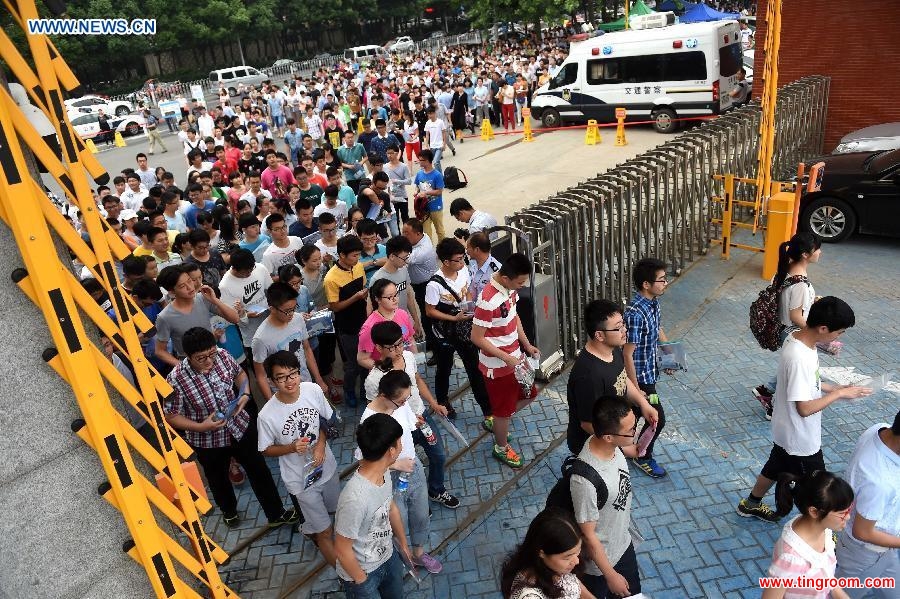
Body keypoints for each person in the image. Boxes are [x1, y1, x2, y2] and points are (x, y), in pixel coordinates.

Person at [736, 297, 871, 522]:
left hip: (785, 429)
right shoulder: (800, 358)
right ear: (823, 328)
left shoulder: (798, 338)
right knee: (821, 489)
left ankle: (750, 504)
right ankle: (819, 528)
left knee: (775, 465)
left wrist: (833, 388)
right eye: (839, 333)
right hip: (800, 438)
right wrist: (838, 395)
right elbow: (805, 409)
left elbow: (805, 382)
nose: (838, 337)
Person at [164, 327, 296, 528]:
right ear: (188, 357)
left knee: (259, 470)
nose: (209, 361)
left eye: (211, 354)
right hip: (208, 440)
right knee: (217, 478)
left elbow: (240, 374)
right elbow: (171, 415)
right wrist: (201, 426)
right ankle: (229, 510)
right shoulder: (176, 379)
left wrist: (245, 393)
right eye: (201, 358)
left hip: (239, 426)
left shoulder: (223, 355)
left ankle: (276, 513)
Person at [357, 370, 443, 576]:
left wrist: (417, 423)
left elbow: (408, 421)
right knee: (399, 521)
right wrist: (395, 465)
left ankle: (419, 553)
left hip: (413, 468)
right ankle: (404, 556)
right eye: (401, 401)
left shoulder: (400, 405)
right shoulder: (369, 420)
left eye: (407, 398)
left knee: (420, 513)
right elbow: (364, 462)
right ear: (384, 396)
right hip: (390, 479)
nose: (405, 403)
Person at [258, 350, 339, 567]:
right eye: (281, 377)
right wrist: (291, 447)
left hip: (327, 469)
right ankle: (343, 574)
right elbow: (265, 449)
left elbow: (326, 420)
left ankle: (309, 527)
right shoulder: (267, 415)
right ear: (271, 381)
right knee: (325, 532)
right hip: (301, 482)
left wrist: (320, 446)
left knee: (335, 512)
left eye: (293, 374)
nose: (289, 381)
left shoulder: (312, 390)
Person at [470, 253, 539, 469]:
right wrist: (505, 357)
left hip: (515, 358)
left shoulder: (509, 290)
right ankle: (501, 446)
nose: (522, 286)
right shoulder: (487, 300)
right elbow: (476, 337)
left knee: (530, 394)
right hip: (498, 366)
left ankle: (500, 419)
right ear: (507, 278)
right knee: (503, 410)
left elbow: (514, 317)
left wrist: (526, 344)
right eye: (520, 282)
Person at [566, 299, 659, 455]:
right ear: (599, 335)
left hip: (613, 437)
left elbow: (622, 378)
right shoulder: (588, 376)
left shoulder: (613, 349)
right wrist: (623, 447)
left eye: (623, 324)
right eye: (618, 328)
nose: (625, 330)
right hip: (592, 446)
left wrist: (643, 404)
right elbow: (588, 424)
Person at [334, 412, 412, 599]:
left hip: (389, 557)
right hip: (363, 573)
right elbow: (342, 549)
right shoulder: (355, 499)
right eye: (400, 442)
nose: (402, 446)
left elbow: (390, 508)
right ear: (391, 451)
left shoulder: (383, 471)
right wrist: (362, 581)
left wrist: (403, 545)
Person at [572, 397, 642, 598]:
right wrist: (610, 575)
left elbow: (627, 445)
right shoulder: (584, 480)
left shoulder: (611, 444)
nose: (635, 432)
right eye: (631, 430)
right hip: (600, 565)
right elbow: (588, 535)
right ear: (609, 437)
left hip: (623, 544)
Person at [754, 232, 822, 419]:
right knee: (795, 372)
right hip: (794, 332)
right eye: (817, 249)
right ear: (806, 255)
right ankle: (772, 403)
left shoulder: (784, 270)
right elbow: (795, 315)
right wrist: (815, 332)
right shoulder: (800, 283)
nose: (820, 252)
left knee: (789, 368)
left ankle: (766, 390)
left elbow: (785, 300)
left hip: (782, 328)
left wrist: (810, 301)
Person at [425, 237, 492, 422]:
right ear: (446, 261)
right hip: (445, 333)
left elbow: (468, 291)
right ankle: (442, 401)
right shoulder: (434, 284)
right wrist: (454, 318)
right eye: (459, 259)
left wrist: (469, 307)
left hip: (464, 329)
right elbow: (430, 311)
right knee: (444, 368)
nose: (463, 262)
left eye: (463, 258)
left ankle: (488, 411)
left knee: (475, 369)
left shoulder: (463, 271)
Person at [834, 410, 900, 597]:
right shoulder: (879, 483)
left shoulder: (880, 430)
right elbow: (862, 532)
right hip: (865, 555)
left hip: (886, 549)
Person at [763, 471, 855, 599]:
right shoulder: (790, 558)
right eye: (842, 513)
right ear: (814, 512)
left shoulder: (824, 530)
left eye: (849, 509)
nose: (848, 517)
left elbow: (826, 576)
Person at [623, 258, 670, 479]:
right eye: (661, 280)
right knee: (657, 419)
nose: (665, 283)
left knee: (631, 416)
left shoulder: (653, 303)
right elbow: (627, 354)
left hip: (650, 372)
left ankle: (621, 447)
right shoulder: (635, 314)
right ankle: (642, 455)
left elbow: (658, 329)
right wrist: (636, 389)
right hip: (640, 379)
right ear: (646, 284)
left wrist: (669, 357)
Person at [252, 282, 330, 399]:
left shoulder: (298, 319)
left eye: (294, 308)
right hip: (283, 393)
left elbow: (307, 349)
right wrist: (271, 402)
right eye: (287, 311)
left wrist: (319, 380)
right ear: (272, 309)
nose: (292, 314)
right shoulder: (260, 339)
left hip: (306, 383)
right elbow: (261, 375)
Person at [154, 264, 239, 367]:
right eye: (182, 286)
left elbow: (235, 318)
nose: (190, 287)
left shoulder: (203, 298)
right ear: (171, 292)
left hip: (214, 357)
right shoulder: (165, 317)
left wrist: (215, 300)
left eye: (189, 281)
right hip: (191, 365)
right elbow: (160, 351)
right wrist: (182, 367)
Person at [499, 508, 593, 599]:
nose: (577, 561)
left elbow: (581, 590)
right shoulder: (529, 595)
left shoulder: (554, 567)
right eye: (567, 557)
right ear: (542, 553)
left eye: (577, 552)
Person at [324, 234, 369, 407]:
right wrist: (355, 297)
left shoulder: (358, 267)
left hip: (364, 321)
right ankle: (349, 390)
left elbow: (363, 288)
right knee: (353, 364)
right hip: (347, 327)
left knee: (367, 360)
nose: (357, 259)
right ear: (342, 255)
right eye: (354, 255)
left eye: (358, 255)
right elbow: (335, 307)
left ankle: (365, 390)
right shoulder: (331, 278)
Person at [217, 249, 272, 361]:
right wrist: (246, 315)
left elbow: (270, 290)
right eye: (246, 272)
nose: (250, 273)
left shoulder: (260, 268)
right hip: (251, 332)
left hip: (270, 321)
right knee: (260, 360)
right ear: (234, 268)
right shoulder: (225, 286)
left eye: (252, 269)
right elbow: (232, 316)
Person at [369, 235, 424, 339]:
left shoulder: (403, 269)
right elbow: (371, 308)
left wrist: (416, 320)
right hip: (387, 328)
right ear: (392, 256)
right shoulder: (377, 279)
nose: (406, 261)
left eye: (407, 257)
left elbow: (408, 295)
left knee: (408, 343)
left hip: (403, 321)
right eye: (404, 258)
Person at [413, 149, 445, 243]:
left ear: (427, 161)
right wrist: (416, 191)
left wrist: (426, 193)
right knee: (426, 232)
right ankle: (429, 249)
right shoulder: (419, 173)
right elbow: (417, 186)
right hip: (423, 208)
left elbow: (439, 191)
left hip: (436, 207)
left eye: (421, 160)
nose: (419, 162)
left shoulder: (437, 175)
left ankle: (443, 248)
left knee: (440, 230)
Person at [384, 145, 412, 227]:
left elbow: (409, 181)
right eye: (388, 153)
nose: (389, 155)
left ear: (396, 153)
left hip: (402, 196)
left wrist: (396, 181)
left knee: (405, 217)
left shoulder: (403, 166)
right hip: (391, 197)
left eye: (391, 153)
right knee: (395, 219)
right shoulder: (385, 167)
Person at [422, 107, 447, 173]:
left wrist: (444, 144)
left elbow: (444, 133)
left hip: (439, 146)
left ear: (434, 113)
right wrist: (426, 145)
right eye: (428, 114)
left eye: (431, 113)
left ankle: (439, 176)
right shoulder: (428, 123)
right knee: (436, 162)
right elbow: (427, 135)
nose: (430, 115)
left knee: (435, 162)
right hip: (432, 146)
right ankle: (440, 175)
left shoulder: (440, 122)